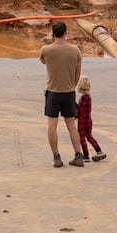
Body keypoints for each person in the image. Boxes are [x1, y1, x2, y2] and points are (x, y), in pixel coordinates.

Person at [40, 20, 85, 167]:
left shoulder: (46, 50)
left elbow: (43, 61)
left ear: (53, 34)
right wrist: (73, 83)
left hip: (53, 92)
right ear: (66, 33)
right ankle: (78, 154)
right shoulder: (75, 50)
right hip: (69, 92)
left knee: (52, 124)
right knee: (71, 125)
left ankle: (56, 157)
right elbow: (78, 71)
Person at [76, 76, 106, 161]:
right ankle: (98, 151)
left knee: (82, 138)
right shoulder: (89, 97)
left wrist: (74, 107)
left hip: (82, 121)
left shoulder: (83, 98)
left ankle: (86, 156)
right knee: (89, 136)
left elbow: (80, 112)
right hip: (89, 120)